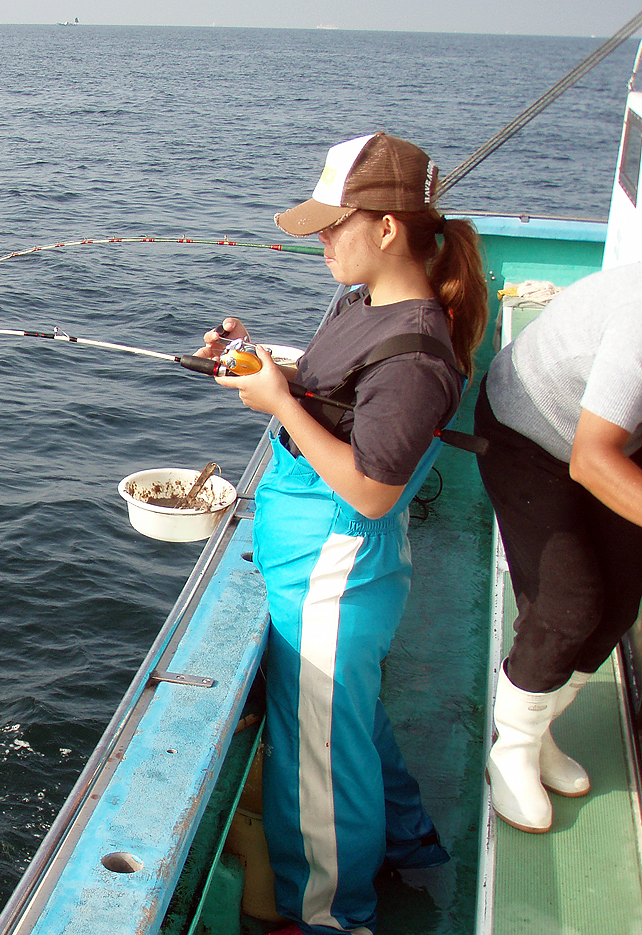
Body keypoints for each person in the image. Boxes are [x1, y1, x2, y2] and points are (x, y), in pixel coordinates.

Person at [201, 132, 488, 935]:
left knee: (320, 760)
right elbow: (334, 394)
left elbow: (367, 489)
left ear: (388, 227)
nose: (321, 238)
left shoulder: (418, 351)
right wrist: (257, 367)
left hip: (337, 566)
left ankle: (331, 917)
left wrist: (280, 407)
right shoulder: (360, 304)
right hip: (316, 556)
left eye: (334, 223)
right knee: (348, 722)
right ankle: (410, 844)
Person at [474, 262, 642, 834]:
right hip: (529, 428)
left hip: (617, 432)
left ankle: (538, 730)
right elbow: (593, 460)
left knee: (620, 602)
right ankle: (511, 749)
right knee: (566, 606)